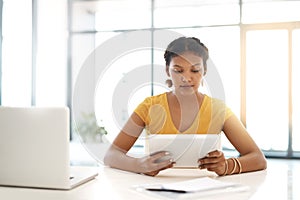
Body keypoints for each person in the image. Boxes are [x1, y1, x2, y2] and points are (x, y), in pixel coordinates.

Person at [104, 36, 267, 176]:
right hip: (156, 189)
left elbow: (258, 158)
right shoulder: (149, 106)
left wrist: (226, 166)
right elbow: (111, 155)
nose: (186, 78)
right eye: (178, 70)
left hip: (206, 189)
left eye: (195, 70)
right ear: (168, 71)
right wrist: (138, 165)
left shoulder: (218, 110)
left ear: (205, 71)